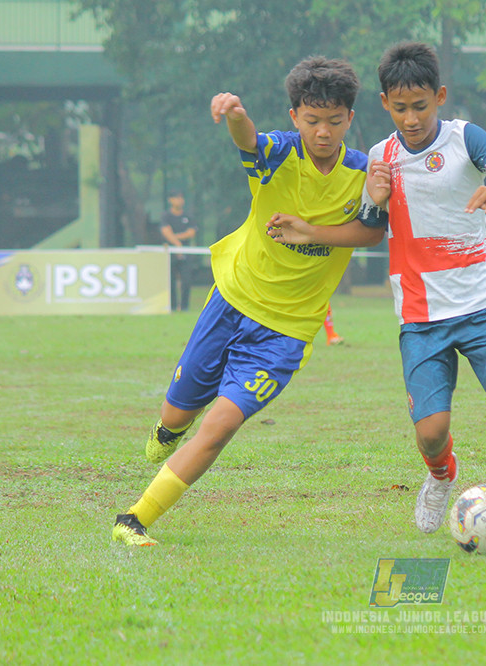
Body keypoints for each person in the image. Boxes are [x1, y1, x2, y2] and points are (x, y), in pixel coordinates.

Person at [268, 42, 486, 541]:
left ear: (440, 97)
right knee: (430, 433)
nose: (411, 118)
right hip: (420, 314)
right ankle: (440, 477)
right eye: (400, 107)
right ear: (385, 104)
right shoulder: (380, 157)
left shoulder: (465, 139)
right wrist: (367, 201)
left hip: (480, 305)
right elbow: (369, 227)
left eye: (421, 106)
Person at [111, 56, 367, 546]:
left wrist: (312, 230)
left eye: (335, 121)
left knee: (222, 422)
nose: (323, 132)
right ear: (295, 117)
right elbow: (248, 138)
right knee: (176, 416)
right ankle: (168, 431)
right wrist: (233, 114)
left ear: (350, 120)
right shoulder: (279, 154)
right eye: (312, 121)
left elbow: (372, 232)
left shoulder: (363, 174)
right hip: (232, 299)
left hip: (286, 332)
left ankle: (133, 518)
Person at [160, 190, 198, 312]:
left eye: (181, 198)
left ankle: (184, 307)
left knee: (186, 281)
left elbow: (191, 232)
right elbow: (166, 231)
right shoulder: (166, 216)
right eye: (176, 198)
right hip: (170, 253)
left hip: (186, 253)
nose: (179, 200)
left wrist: (177, 238)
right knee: (170, 281)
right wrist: (177, 244)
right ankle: (171, 307)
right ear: (170, 200)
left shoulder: (188, 216)